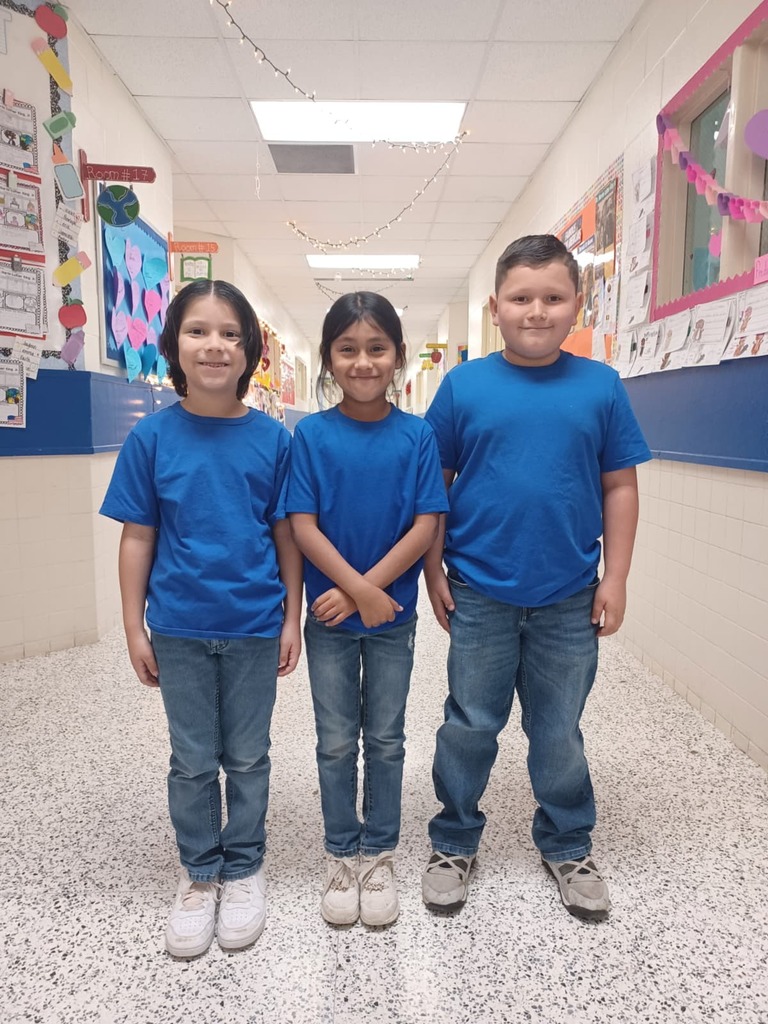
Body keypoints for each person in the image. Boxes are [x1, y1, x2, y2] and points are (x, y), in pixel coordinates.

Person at [421, 235, 651, 921]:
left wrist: (618, 576)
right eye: (521, 298)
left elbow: (621, 486)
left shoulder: (601, 387)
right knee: (470, 723)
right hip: (480, 591)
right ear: (496, 307)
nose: (537, 311)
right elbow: (435, 482)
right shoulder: (464, 386)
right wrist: (433, 567)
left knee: (559, 730)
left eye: (553, 298)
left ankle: (568, 841)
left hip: (569, 595)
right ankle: (455, 839)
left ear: (577, 305)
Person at [99, 280, 302, 957]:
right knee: (191, 761)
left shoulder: (274, 440)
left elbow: (287, 538)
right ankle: (200, 874)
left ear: (250, 352)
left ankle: (243, 867)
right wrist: (133, 627)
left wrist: (291, 619)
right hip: (179, 627)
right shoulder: (151, 438)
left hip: (252, 625)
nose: (214, 345)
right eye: (198, 331)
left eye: (230, 334)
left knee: (247, 757)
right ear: (173, 345)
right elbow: (138, 538)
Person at [287, 292, 449, 927]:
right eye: (348, 349)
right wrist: (356, 591)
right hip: (330, 619)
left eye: (376, 348)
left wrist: (371, 591)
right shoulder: (311, 435)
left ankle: (379, 851)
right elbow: (301, 525)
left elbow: (426, 523)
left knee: (384, 738)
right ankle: (339, 849)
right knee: (334, 741)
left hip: (392, 619)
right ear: (330, 358)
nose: (362, 361)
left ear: (398, 357)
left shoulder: (417, 436)